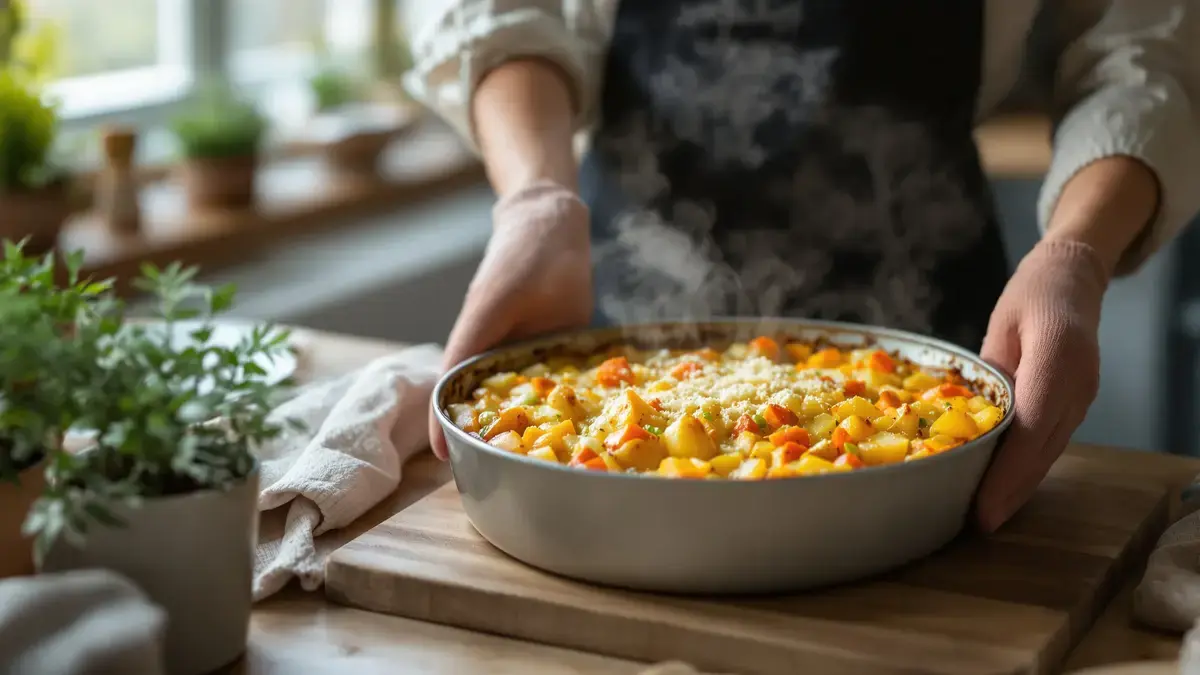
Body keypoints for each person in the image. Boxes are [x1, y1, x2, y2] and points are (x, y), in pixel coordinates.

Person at [409, 0, 1200, 531]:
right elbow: (500, 10)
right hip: (622, 303)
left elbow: (1141, 52)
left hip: (933, 318)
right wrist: (536, 199)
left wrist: (1075, 252)